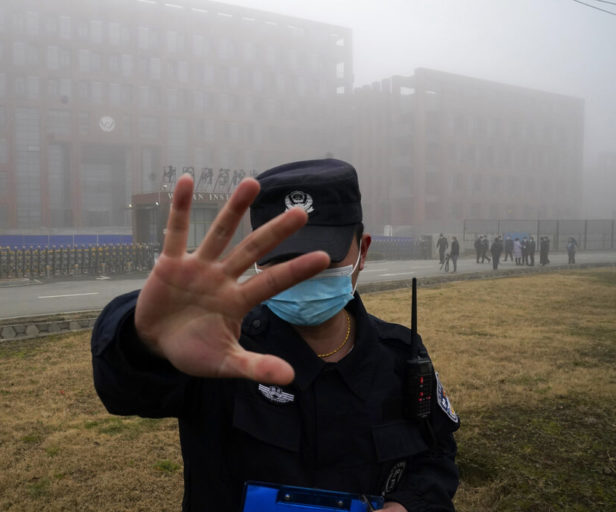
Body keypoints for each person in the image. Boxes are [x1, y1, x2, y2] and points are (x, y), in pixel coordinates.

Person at [91, 159, 460, 512]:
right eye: (282, 257)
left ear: (362, 251)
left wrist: (412, 504)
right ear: (258, 259)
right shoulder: (219, 350)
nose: (300, 274)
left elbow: (436, 453)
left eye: (322, 256)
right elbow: (122, 389)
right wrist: (144, 340)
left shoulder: (399, 356)